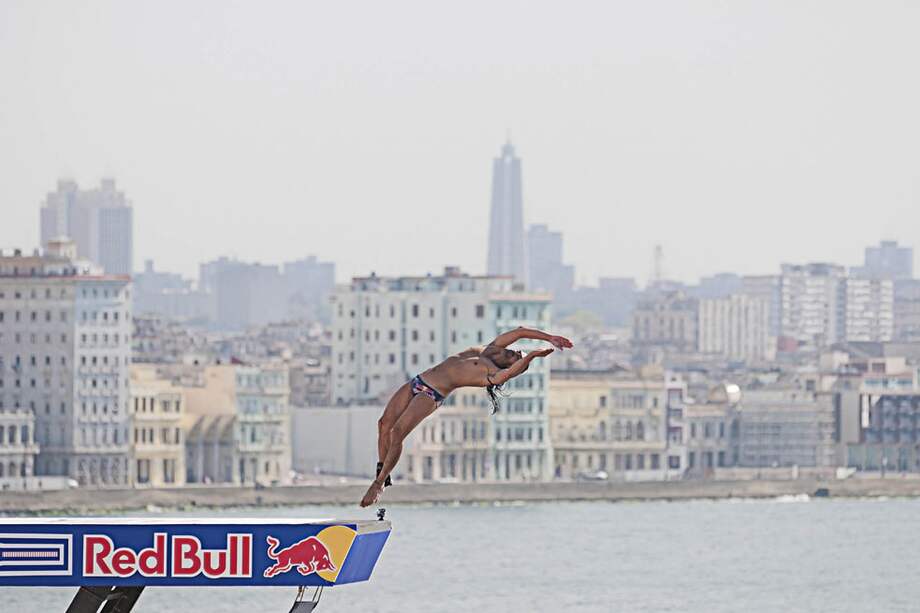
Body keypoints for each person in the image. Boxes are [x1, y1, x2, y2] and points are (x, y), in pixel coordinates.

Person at [359, 327, 573, 507]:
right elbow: (520, 332)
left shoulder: (492, 374)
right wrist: (550, 338)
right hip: (418, 381)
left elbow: (511, 372)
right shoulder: (491, 349)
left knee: (397, 433)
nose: (518, 352)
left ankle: (378, 485)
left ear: (513, 366)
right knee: (384, 424)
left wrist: (532, 356)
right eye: (518, 352)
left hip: (431, 394)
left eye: (519, 357)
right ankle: (382, 470)